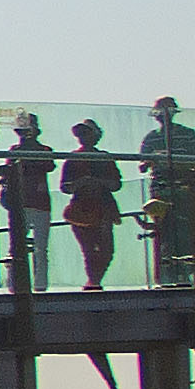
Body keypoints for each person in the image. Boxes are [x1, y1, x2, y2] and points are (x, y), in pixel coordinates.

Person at [142, 97, 195, 289]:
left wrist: (175, 162)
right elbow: (142, 165)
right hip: (160, 192)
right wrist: (153, 160)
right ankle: (166, 275)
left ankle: (187, 274)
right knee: (163, 233)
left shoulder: (187, 134)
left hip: (184, 190)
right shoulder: (151, 137)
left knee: (186, 232)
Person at [62, 119, 126, 289]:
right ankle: (93, 283)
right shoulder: (73, 159)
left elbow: (116, 184)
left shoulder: (104, 158)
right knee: (89, 249)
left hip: (103, 209)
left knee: (106, 250)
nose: (83, 137)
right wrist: (81, 183)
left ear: (95, 136)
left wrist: (99, 182)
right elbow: (65, 187)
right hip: (80, 210)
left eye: (86, 133)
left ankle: (94, 281)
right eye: (81, 134)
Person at [0, 111, 57, 292]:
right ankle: (15, 284)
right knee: (18, 246)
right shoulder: (16, 151)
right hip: (23, 205)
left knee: (39, 248)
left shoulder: (42, 151)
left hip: (37, 204)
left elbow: (48, 165)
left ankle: (38, 285)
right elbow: (7, 173)